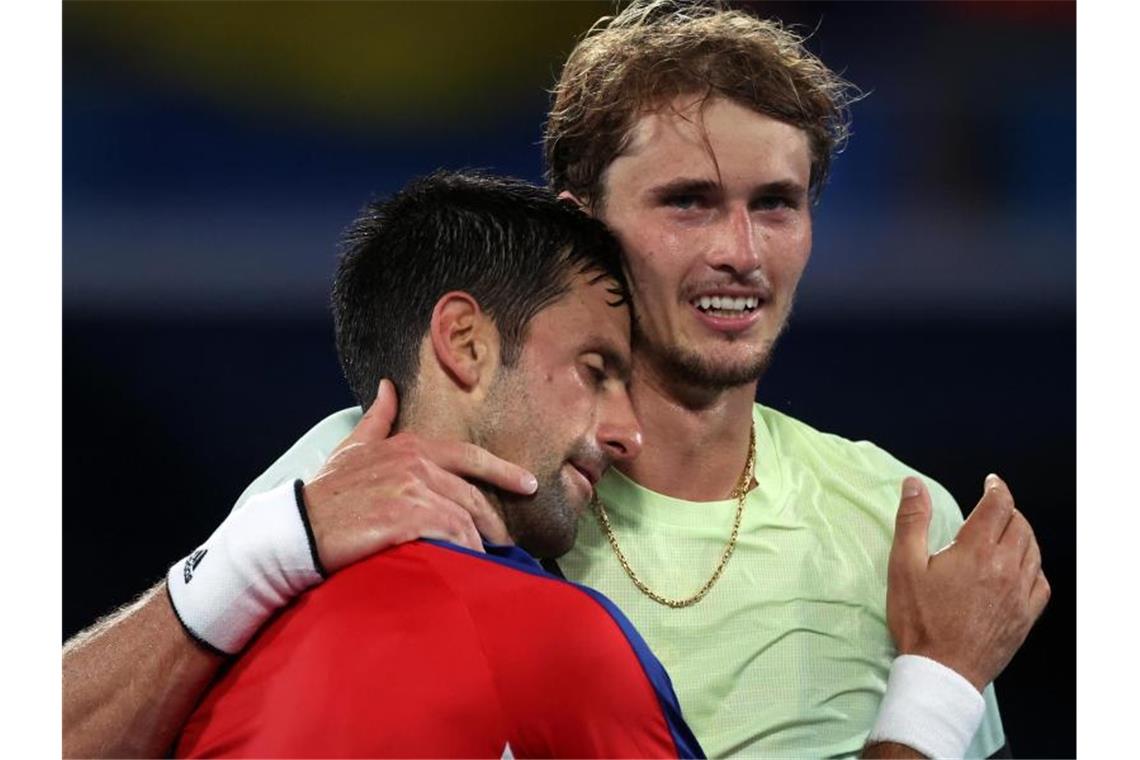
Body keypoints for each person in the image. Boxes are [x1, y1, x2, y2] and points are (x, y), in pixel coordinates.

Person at [62, 2, 1049, 758]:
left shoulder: (904, 521)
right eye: (689, 202)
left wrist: (942, 674)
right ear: (582, 224)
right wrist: (266, 551)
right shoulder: (373, 470)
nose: (740, 251)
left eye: (776, 204)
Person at [174, 171, 703, 757]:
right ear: (465, 342)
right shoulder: (559, 641)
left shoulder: (195, 691)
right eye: (595, 370)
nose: (628, 433)